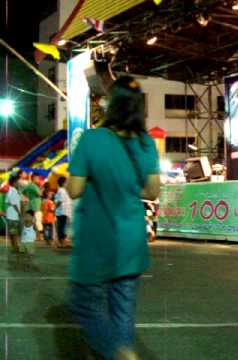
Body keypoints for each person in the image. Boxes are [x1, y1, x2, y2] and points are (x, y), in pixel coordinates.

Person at [67, 76, 160, 360]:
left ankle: (118, 353)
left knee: (85, 304)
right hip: (131, 242)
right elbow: (152, 191)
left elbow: (74, 189)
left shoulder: (92, 139)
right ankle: (122, 349)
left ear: (111, 104)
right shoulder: (146, 143)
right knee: (123, 311)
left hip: (98, 241)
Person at [22, 173, 43, 240]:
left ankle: (35, 236)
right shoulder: (33, 186)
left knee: (33, 221)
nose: (38, 180)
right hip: (36, 205)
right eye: (37, 178)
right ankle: (40, 236)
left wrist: (28, 197)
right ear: (34, 178)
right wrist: (41, 190)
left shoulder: (28, 185)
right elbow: (40, 194)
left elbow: (23, 192)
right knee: (38, 221)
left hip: (30, 205)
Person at [5, 174, 21, 253]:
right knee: (14, 233)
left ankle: (14, 247)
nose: (19, 183)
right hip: (13, 215)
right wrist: (19, 212)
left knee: (13, 233)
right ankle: (16, 247)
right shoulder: (12, 191)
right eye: (18, 182)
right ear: (14, 183)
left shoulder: (11, 190)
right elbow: (14, 203)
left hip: (11, 215)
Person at [54, 176, 71, 248]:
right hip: (62, 211)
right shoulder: (61, 191)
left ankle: (62, 242)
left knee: (62, 227)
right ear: (63, 183)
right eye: (66, 182)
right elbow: (59, 201)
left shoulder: (63, 190)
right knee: (61, 227)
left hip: (64, 211)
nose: (67, 183)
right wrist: (55, 208)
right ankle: (62, 242)